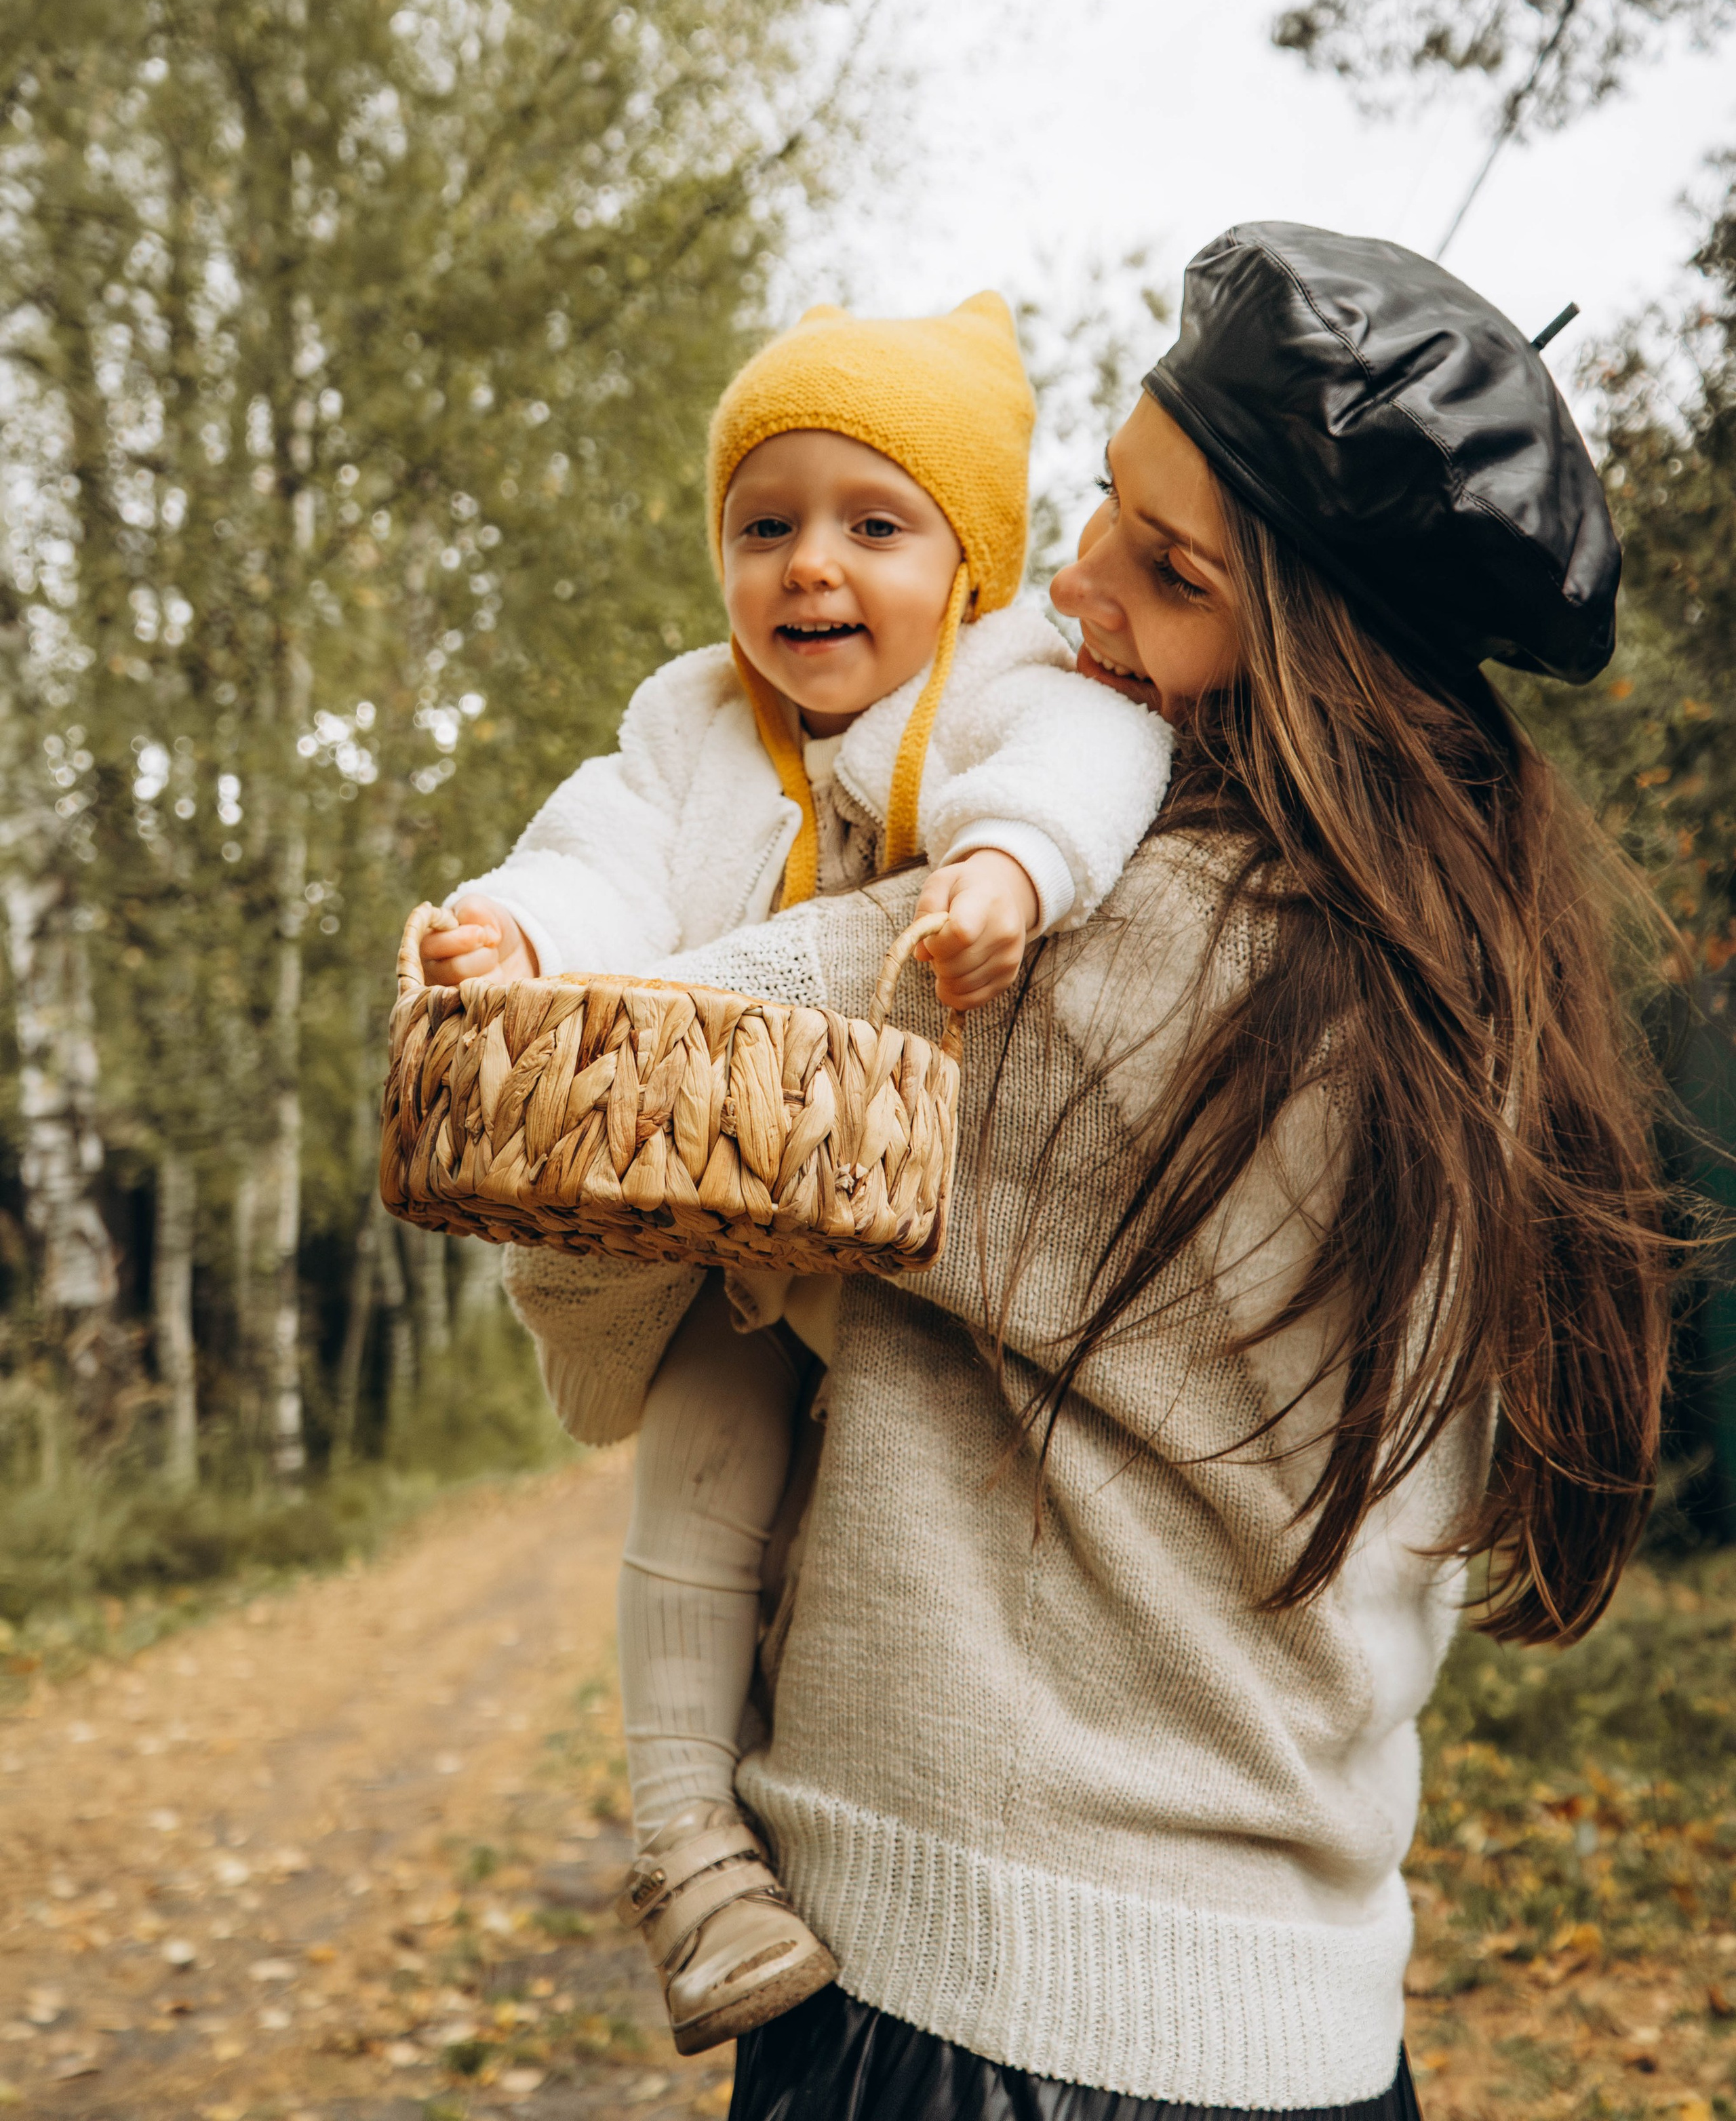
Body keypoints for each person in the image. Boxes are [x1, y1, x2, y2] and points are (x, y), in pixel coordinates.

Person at [500, 224, 1678, 2121]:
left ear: (1312, 652)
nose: (1070, 583)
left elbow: (594, 1159)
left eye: (1169, 568)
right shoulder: (1490, 993)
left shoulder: (1097, 954)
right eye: (1106, 509)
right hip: (1317, 2031)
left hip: (965, 2017)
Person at [416, 292, 1171, 2052]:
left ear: (970, 562)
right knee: (702, 1454)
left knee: (904, 1521)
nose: (809, 571)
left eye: (872, 524)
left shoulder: (1005, 682)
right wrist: (520, 933)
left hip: (931, 1223)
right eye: (767, 526)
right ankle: (689, 1848)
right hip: (725, 1198)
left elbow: (1098, 755)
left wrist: (1009, 874)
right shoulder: (691, 716)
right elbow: (603, 847)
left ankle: (919, 1812)